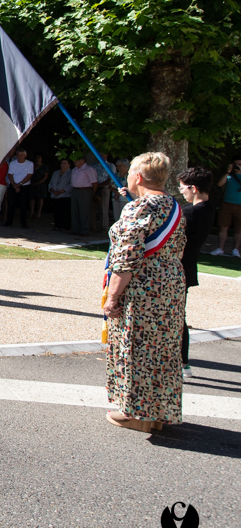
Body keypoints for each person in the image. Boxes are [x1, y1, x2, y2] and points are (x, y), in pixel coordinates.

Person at [102, 152, 187, 433]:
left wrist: (112, 297)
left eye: (130, 173)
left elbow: (127, 259)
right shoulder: (174, 206)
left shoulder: (138, 208)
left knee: (136, 348)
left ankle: (136, 414)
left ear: (137, 177)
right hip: (171, 285)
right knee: (162, 350)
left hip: (142, 287)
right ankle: (157, 412)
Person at [176, 166, 215, 380]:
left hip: (178, 268)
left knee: (176, 318)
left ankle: (182, 363)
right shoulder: (209, 208)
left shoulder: (191, 213)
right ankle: (183, 362)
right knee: (179, 316)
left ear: (193, 188)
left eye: (183, 188)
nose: (181, 191)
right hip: (188, 268)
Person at [210, 156, 241, 257]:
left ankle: (236, 250)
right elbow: (219, 184)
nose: (238, 166)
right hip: (227, 204)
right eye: (236, 164)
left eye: (240, 165)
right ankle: (220, 248)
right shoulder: (229, 176)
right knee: (223, 227)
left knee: (239, 229)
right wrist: (228, 172)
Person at [3, 148, 33, 228]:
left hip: (24, 186)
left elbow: (29, 176)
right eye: (18, 155)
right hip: (13, 185)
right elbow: (10, 175)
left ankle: (23, 223)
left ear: (25, 156)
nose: (20, 157)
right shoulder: (13, 163)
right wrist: (14, 185)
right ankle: (9, 221)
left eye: (22, 155)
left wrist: (20, 184)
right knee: (11, 204)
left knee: (23, 205)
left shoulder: (30, 164)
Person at [69, 154, 98, 236]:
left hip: (85, 190)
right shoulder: (74, 169)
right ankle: (75, 229)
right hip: (75, 190)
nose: (74, 162)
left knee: (84, 211)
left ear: (82, 160)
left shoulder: (89, 169)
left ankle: (84, 230)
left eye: (76, 160)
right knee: (75, 210)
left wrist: (92, 194)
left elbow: (94, 183)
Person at [48, 158, 73, 232]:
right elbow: (51, 183)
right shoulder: (56, 172)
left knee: (65, 212)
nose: (63, 165)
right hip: (55, 195)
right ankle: (57, 226)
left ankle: (65, 227)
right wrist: (53, 190)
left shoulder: (71, 173)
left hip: (65, 195)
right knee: (57, 211)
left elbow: (71, 184)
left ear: (69, 165)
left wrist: (62, 191)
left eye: (65, 163)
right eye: (62, 163)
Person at [28, 154, 49, 221]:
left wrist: (38, 182)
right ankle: (32, 212)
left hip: (40, 184)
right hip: (32, 183)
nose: (38, 159)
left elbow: (45, 176)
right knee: (32, 198)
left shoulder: (44, 167)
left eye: (39, 157)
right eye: (36, 157)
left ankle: (39, 212)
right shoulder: (32, 165)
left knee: (40, 198)